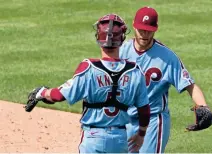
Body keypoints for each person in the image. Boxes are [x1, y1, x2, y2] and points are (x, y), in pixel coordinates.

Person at [29, 14, 151, 153]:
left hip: (93, 139)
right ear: (122, 39)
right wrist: (141, 134)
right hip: (120, 139)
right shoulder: (134, 71)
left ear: (98, 38)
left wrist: (42, 92)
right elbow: (144, 109)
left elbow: (58, 96)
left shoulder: (89, 68)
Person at [119, 7, 212, 153]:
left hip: (153, 121)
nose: (145, 34)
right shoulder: (121, 51)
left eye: (149, 30)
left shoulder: (167, 57)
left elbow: (190, 85)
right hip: (125, 119)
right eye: (141, 30)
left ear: (156, 29)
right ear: (134, 26)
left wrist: (203, 106)